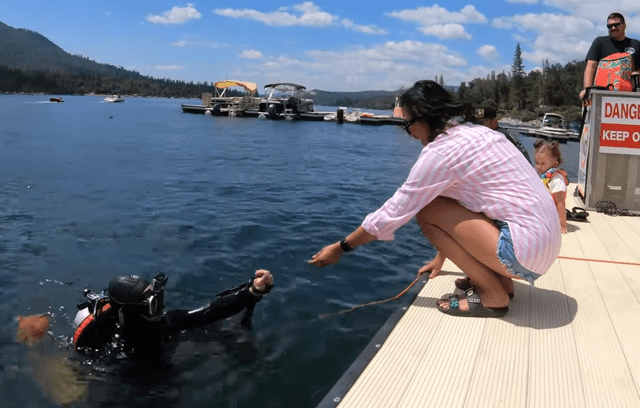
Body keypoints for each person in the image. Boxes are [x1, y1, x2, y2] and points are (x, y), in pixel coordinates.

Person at [308, 80, 561, 317]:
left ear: (424, 117)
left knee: (427, 212)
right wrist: (441, 259)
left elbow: (393, 213)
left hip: (525, 252)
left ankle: (493, 296)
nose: (408, 133)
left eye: (407, 125)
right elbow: (471, 206)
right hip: (543, 245)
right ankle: (501, 283)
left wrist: (342, 247)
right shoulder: (480, 134)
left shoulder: (441, 153)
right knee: (451, 204)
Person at [20, 270, 274, 358]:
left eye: (156, 299)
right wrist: (40, 336)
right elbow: (71, 351)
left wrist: (251, 291)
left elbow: (209, 312)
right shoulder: (99, 328)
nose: (159, 309)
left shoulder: (162, 323)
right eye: (152, 304)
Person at [580, 12, 640, 101]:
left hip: (629, 96)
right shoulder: (599, 42)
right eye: (609, 26)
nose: (613, 28)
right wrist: (587, 91)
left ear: (624, 25)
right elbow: (591, 67)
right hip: (601, 94)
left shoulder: (636, 44)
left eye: (616, 25)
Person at [534, 139, 569, 234]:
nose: (538, 167)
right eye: (537, 163)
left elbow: (560, 203)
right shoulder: (541, 176)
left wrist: (563, 225)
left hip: (551, 215)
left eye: (542, 164)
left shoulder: (556, 180)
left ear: (555, 163)